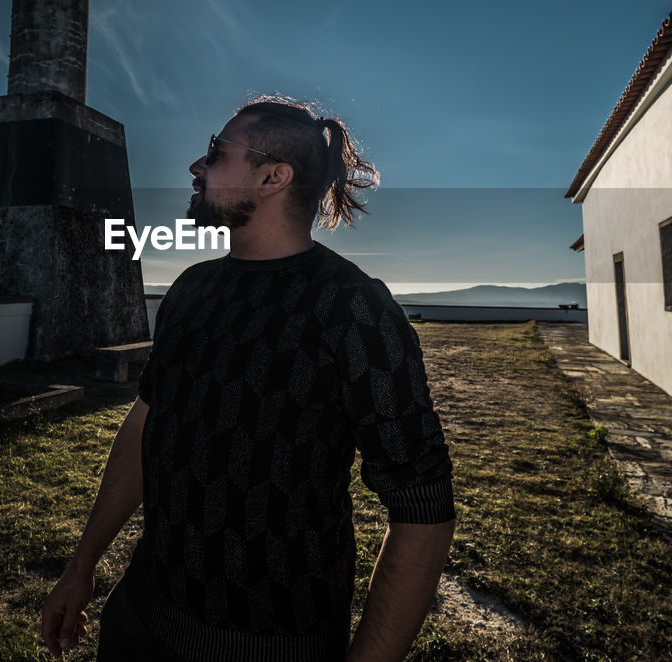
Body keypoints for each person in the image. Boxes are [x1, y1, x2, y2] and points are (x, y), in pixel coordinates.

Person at [41, 97, 455, 661]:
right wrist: (81, 565)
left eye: (215, 152)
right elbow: (145, 426)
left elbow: (422, 505)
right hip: (139, 622)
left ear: (272, 176)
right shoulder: (191, 291)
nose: (196, 167)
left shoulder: (354, 309)